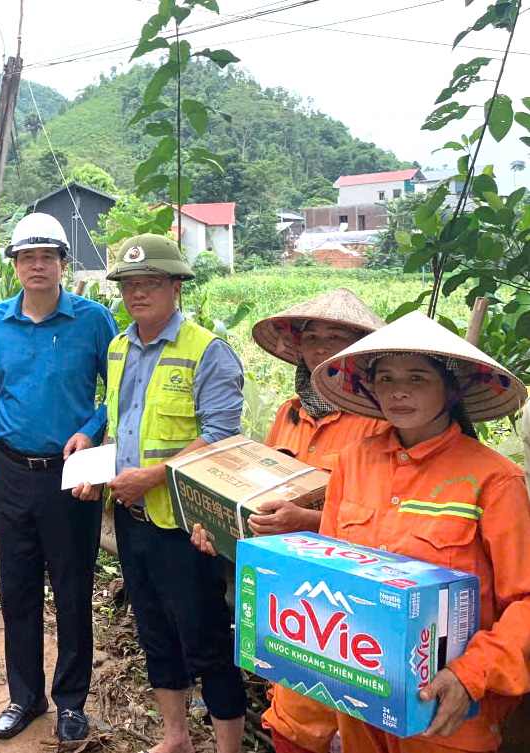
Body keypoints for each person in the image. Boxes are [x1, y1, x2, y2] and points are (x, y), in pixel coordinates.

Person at [305, 310, 530, 753]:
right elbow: (325, 567)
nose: (398, 391)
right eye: (384, 378)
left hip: (446, 713)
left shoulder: (493, 479)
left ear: (452, 389)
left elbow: (524, 601)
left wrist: (469, 675)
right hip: (358, 693)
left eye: (417, 378)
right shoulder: (354, 462)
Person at [192, 288, 389, 753]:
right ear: (297, 347)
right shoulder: (289, 412)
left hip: (351, 613)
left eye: (336, 338)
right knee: (293, 724)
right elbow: (261, 491)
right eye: (313, 336)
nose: (321, 347)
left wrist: (309, 520)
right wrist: (220, 527)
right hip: (288, 603)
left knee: (355, 725)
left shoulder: (380, 422)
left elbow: (383, 524)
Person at [94, 234, 247, 753]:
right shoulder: (119, 347)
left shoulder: (207, 350)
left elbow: (223, 436)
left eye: (151, 283)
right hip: (134, 519)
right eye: (130, 285)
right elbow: (124, 426)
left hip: (187, 526)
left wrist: (153, 477)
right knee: (155, 632)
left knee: (206, 640)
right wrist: (102, 466)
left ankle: (227, 746)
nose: (138, 294)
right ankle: (175, 736)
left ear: (177, 286)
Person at [0, 212, 118, 742]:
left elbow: (121, 390)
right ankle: (24, 696)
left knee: (73, 587)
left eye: (48, 256)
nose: (38, 266)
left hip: (71, 472)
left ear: (62, 263)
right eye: (27, 257)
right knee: (18, 588)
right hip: (11, 470)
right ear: (14, 265)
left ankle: (71, 701)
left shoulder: (93, 319)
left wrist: (91, 428)